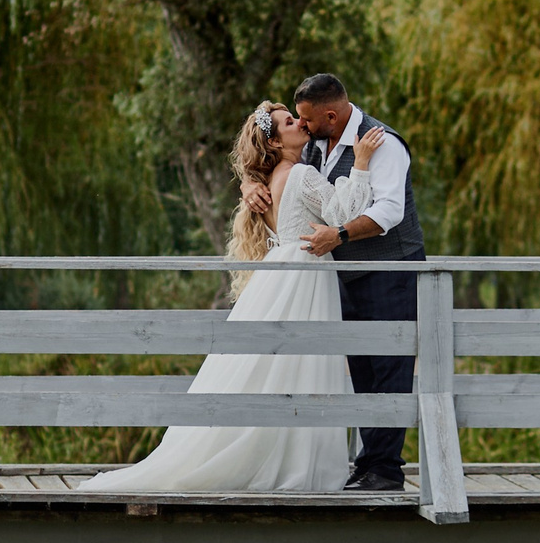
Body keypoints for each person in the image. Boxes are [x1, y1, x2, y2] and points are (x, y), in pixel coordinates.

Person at [77, 105, 387, 494]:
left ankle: (276, 452)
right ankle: (293, 460)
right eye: (289, 122)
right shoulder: (303, 174)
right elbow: (346, 213)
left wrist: (246, 182)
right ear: (274, 141)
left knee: (278, 368)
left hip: (284, 271)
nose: (299, 123)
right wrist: (360, 164)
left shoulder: (275, 176)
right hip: (303, 274)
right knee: (297, 365)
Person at [257, 73, 423, 491]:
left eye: (307, 119)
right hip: (342, 275)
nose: (303, 125)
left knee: (390, 368)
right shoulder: (313, 144)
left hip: (390, 271)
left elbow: (389, 213)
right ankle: (368, 463)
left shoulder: (383, 144)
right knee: (362, 370)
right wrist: (248, 184)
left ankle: (386, 470)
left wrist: (342, 235)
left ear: (331, 115)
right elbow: (274, 167)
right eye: (298, 120)